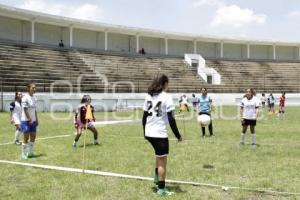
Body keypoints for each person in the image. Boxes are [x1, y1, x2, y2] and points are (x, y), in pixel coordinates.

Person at [142, 74, 182, 196]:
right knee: (162, 161)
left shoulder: (148, 95)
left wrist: (144, 132)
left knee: (158, 156)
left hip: (149, 132)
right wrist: (178, 135)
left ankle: (156, 177)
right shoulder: (166, 97)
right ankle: (161, 190)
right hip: (159, 134)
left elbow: (144, 116)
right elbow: (171, 119)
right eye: (167, 83)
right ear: (164, 83)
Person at [21, 82, 38, 159]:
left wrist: (36, 119)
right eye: (33, 88)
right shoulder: (25, 97)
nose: (34, 89)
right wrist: (29, 119)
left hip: (33, 121)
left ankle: (30, 153)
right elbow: (25, 109)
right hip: (25, 120)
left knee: (33, 136)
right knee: (26, 138)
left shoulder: (34, 98)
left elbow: (34, 110)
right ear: (28, 88)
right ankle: (23, 154)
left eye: (35, 87)